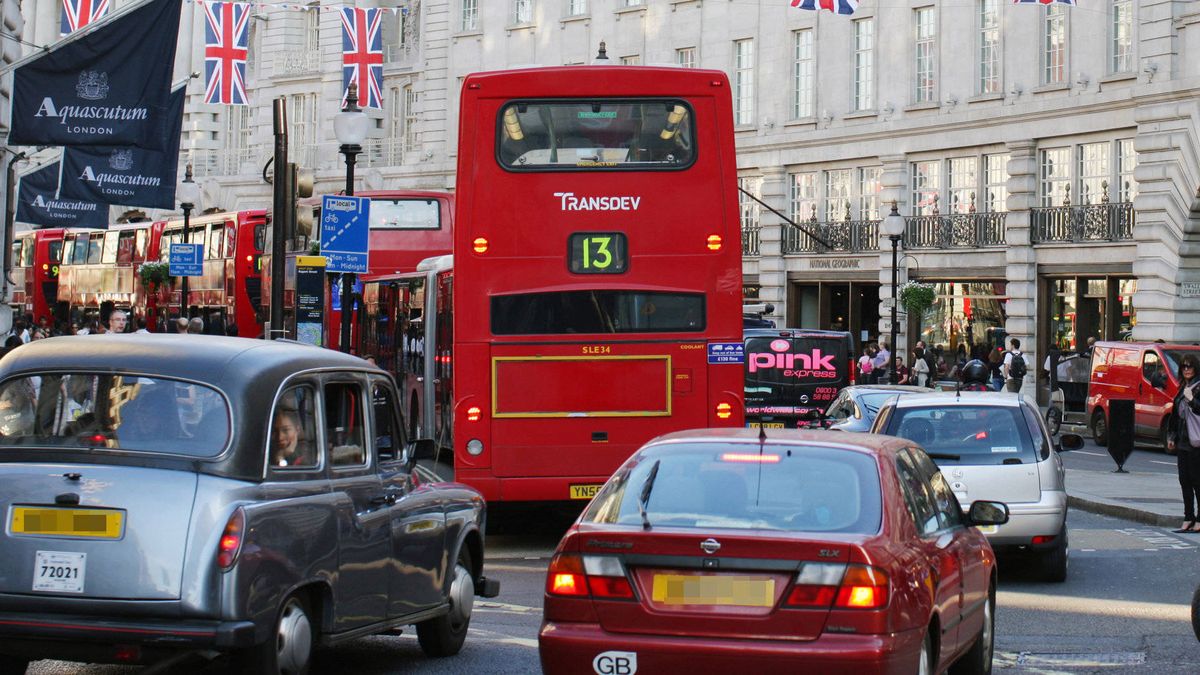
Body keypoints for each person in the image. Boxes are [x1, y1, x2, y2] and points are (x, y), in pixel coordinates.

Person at [1167, 354, 1200, 532]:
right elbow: (1175, 415)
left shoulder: (1197, 387)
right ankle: (1188, 517)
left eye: (1190, 366)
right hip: (1183, 441)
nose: (1187, 369)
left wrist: (1192, 400)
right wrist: (1172, 436)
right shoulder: (1183, 388)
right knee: (1184, 480)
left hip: (1197, 441)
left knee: (1197, 480)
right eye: (1183, 367)